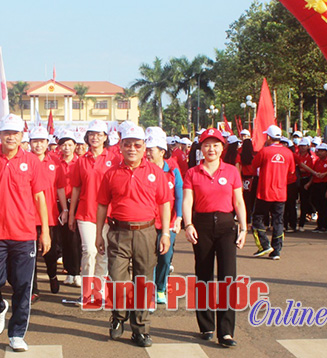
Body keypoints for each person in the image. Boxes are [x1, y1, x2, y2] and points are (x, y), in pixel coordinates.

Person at [0, 114, 51, 353]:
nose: (10, 137)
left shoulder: (32, 162)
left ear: (21, 136)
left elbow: (40, 198)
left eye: (15, 133)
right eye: (6, 133)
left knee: (23, 286)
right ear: (0, 135)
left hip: (24, 234)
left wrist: (44, 231)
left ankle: (16, 333)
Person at [96, 125, 171, 348]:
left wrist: (165, 233)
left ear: (144, 147)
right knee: (117, 279)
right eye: (127, 144)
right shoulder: (111, 173)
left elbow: (164, 203)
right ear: (120, 146)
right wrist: (100, 235)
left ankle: (141, 329)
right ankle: (119, 317)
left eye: (137, 145)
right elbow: (102, 205)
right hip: (118, 232)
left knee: (143, 282)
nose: (132, 148)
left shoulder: (156, 172)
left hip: (146, 233)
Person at [182, 128, 246, 348]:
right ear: (201, 149)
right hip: (203, 226)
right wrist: (188, 224)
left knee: (228, 277)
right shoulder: (193, 173)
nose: (211, 149)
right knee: (204, 275)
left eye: (216, 145)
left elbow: (238, 202)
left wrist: (244, 228)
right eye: (207, 145)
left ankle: (226, 332)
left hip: (227, 226)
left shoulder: (231, 172)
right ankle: (206, 326)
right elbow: (188, 201)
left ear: (222, 148)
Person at [68, 120, 120, 304]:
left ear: (105, 137)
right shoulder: (81, 161)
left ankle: (100, 293)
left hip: (108, 214)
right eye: (92, 134)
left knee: (103, 254)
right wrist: (71, 213)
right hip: (85, 212)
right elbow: (75, 188)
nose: (95, 138)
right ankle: (86, 292)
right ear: (87, 137)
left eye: (99, 134)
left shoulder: (114, 159)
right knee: (89, 251)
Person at [28, 125, 67, 301]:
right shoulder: (25, 161)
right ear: (30, 143)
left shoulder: (55, 163)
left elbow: (60, 188)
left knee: (49, 253)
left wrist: (64, 209)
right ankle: (33, 289)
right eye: (35, 141)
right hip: (28, 216)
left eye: (41, 141)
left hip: (49, 215)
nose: (38, 145)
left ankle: (52, 275)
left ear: (47, 143)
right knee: (31, 255)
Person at [144, 128, 182, 306]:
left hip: (169, 221)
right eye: (147, 149)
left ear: (162, 151)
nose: (148, 153)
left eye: (151, 150)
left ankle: (160, 287)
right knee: (148, 257)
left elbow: (179, 193)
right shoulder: (143, 168)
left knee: (165, 256)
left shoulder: (172, 169)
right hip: (148, 221)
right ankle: (150, 291)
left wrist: (180, 217)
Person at [250, 125, 295, 259]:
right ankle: (277, 251)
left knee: (257, 218)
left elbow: (254, 165)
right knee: (278, 221)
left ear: (269, 137)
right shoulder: (288, 153)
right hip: (280, 193)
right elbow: (292, 171)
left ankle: (264, 245)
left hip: (265, 192)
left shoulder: (264, 152)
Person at [56, 130, 81, 287]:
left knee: (75, 239)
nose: (66, 148)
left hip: (77, 203)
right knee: (63, 238)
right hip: (60, 203)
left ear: (75, 146)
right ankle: (68, 270)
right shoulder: (55, 162)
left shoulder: (80, 162)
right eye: (63, 145)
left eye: (70, 144)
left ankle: (76, 272)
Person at [304, 144, 327, 233]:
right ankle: (319, 225)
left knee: (323, 206)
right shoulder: (317, 161)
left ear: (326, 152)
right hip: (316, 184)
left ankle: (323, 226)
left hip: (324, 184)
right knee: (316, 204)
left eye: (322, 151)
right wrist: (309, 183)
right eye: (319, 151)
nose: (320, 153)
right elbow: (314, 175)